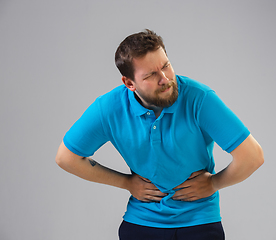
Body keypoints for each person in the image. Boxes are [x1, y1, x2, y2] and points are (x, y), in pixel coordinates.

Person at [55, 29, 264, 240]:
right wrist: (126, 183)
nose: (165, 79)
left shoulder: (199, 99)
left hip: (200, 221)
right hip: (141, 222)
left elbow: (252, 156)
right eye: (151, 75)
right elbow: (66, 158)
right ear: (129, 83)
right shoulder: (109, 108)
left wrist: (213, 184)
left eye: (166, 66)